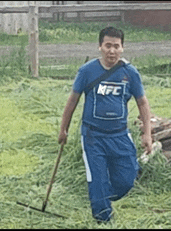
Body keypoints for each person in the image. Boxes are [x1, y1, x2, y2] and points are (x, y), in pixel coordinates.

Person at [58, 26, 152, 223]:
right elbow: (72, 100)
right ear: (100, 47)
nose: (112, 51)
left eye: (116, 46)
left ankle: (100, 198)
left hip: (120, 135)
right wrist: (63, 129)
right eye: (108, 46)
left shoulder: (130, 72)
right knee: (98, 180)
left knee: (128, 179)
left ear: (122, 48)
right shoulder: (87, 71)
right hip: (93, 137)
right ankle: (103, 218)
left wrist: (147, 134)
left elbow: (142, 102)